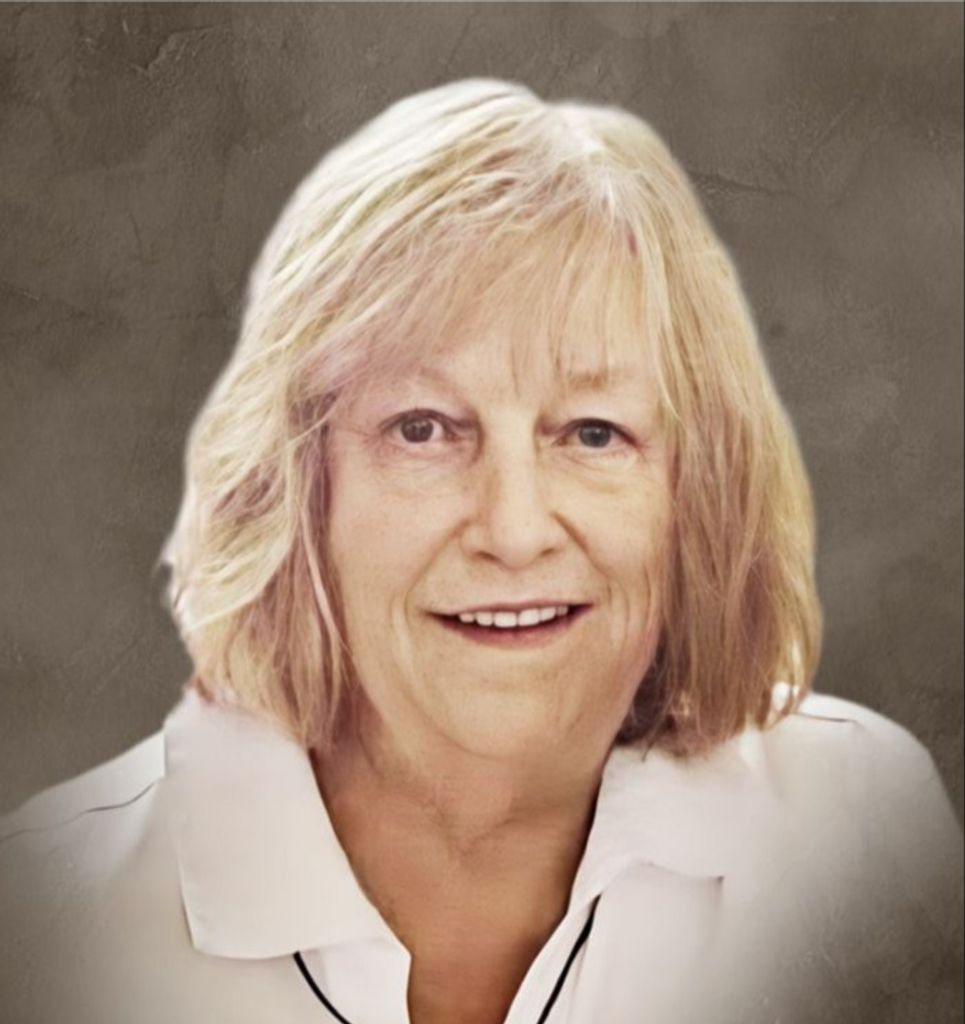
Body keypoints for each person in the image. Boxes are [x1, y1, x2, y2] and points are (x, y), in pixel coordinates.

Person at [0, 79, 961, 1024]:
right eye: (422, 428)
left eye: (591, 432)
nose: (512, 530)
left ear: (694, 497)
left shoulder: (860, 838)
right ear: (295, 489)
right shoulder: (48, 931)